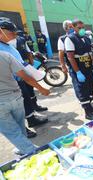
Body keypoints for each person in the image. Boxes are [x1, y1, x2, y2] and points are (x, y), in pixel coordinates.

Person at [0, 18, 50, 155]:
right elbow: (23, 74)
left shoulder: (8, 48)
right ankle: (29, 152)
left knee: (16, 128)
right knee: (15, 129)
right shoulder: (4, 52)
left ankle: (28, 151)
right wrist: (41, 88)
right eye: (12, 33)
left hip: (15, 93)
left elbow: (23, 72)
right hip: (12, 95)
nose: (15, 36)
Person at [64, 19, 93, 120]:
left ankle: (90, 107)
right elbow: (70, 57)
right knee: (82, 90)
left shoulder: (86, 38)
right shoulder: (70, 39)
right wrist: (78, 72)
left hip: (88, 68)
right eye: (79, 28)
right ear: (74, 28)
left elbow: (90, 53)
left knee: (89, 89)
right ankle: (87, 113)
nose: (82, 29)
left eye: (83, 27)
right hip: (79, 70)